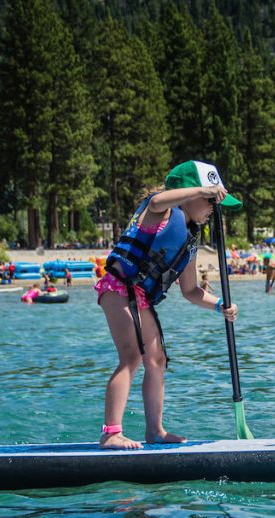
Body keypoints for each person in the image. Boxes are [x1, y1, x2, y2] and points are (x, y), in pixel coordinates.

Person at [94, 160, 240, 450]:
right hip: (119, 289)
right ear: (190, 193)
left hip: (140, 298)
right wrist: (200, 189)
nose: (214, 208)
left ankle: (155, 432)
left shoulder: (188, 241)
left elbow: (191, 291)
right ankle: (111, 433)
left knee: (157, 361)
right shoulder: (159, 213)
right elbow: (159, 199)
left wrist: (220, 304)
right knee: (132, 357)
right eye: (210, 200)